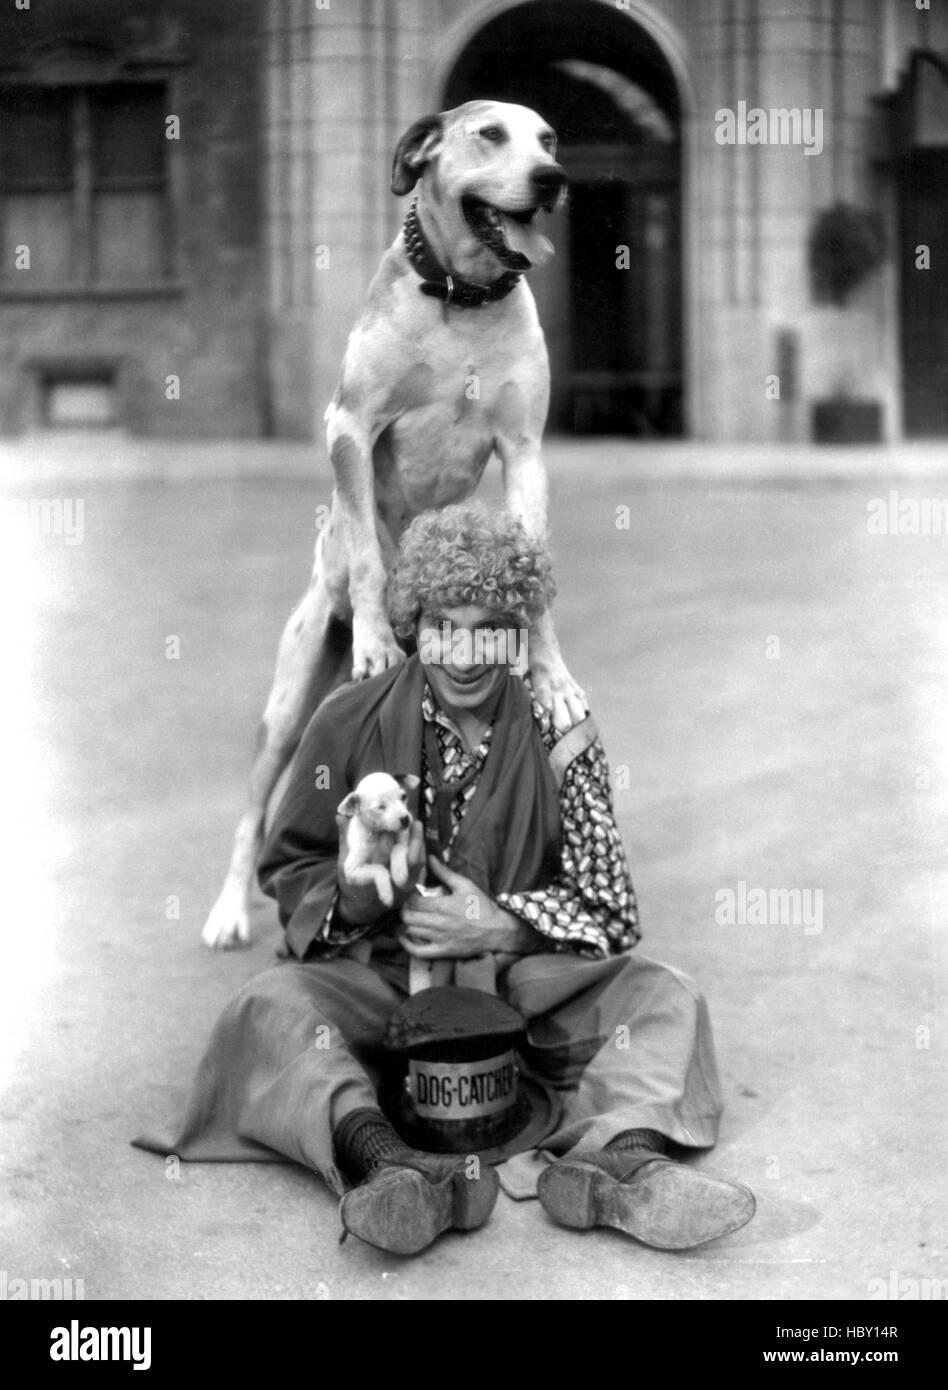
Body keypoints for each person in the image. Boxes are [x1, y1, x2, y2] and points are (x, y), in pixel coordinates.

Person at [137, 501, 754, 1256]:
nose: (463, 654)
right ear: (413, 623)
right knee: (268, 1006)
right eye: (443, 627)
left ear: (518, 635)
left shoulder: (562, 729)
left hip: (521, 997)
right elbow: (289, 863)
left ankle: (615, 1165)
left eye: (487, 629)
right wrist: (353, 898)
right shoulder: (347, 720)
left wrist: (502, 925)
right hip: (388, 990)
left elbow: (612, 909)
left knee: (668, 999)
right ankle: (391, 1166)